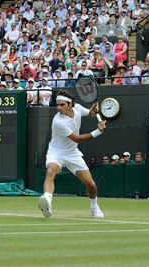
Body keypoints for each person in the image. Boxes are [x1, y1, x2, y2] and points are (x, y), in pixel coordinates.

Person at [38, 90, 106, 219]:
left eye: (62, 105)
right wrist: (98, 131)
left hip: (72, 153)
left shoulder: (78, 108)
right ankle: (47, 200)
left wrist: (93, 110)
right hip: (56, 152)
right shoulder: (58, 121)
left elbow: (90, 113)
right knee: (50, 171)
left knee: (91, 184)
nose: (58, 108)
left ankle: (94, 207)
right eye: (57, 105)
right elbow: (77, 139)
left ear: (70, 104)